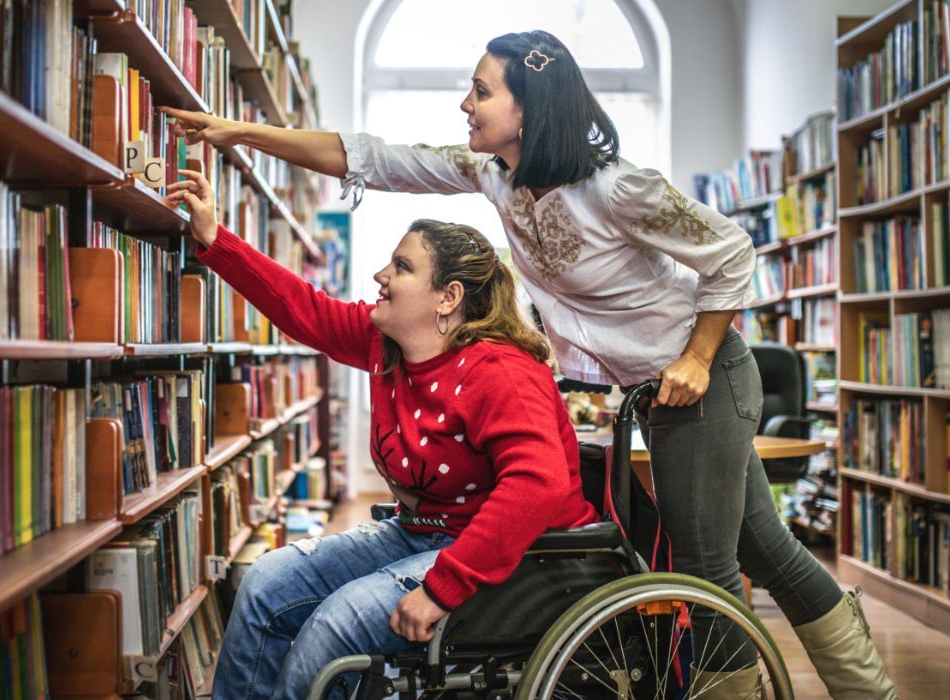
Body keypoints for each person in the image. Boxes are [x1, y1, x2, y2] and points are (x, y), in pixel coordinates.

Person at [161, 30, 896, 700]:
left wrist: (699, 358)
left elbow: (733, 252)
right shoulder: (494, 175)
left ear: (529, 107)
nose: (466, 103)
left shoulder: (616, 187)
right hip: (644, 388)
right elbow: (373, 157)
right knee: (766, 546)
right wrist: (242, 134)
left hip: (699, 379)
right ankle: (873, 692)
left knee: (704, 571)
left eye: (482, 91)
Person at [165, 169, 599, 700]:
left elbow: (538, 486)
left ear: (448, 297)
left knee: (335, 625)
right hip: (422, 533)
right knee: (264, 585)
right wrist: (216, 239)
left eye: (401, 267)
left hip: (519, 558)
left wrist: (443, 589)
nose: (379, 275)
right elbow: (303, 309)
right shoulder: (386, 346)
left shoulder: (499, 371)